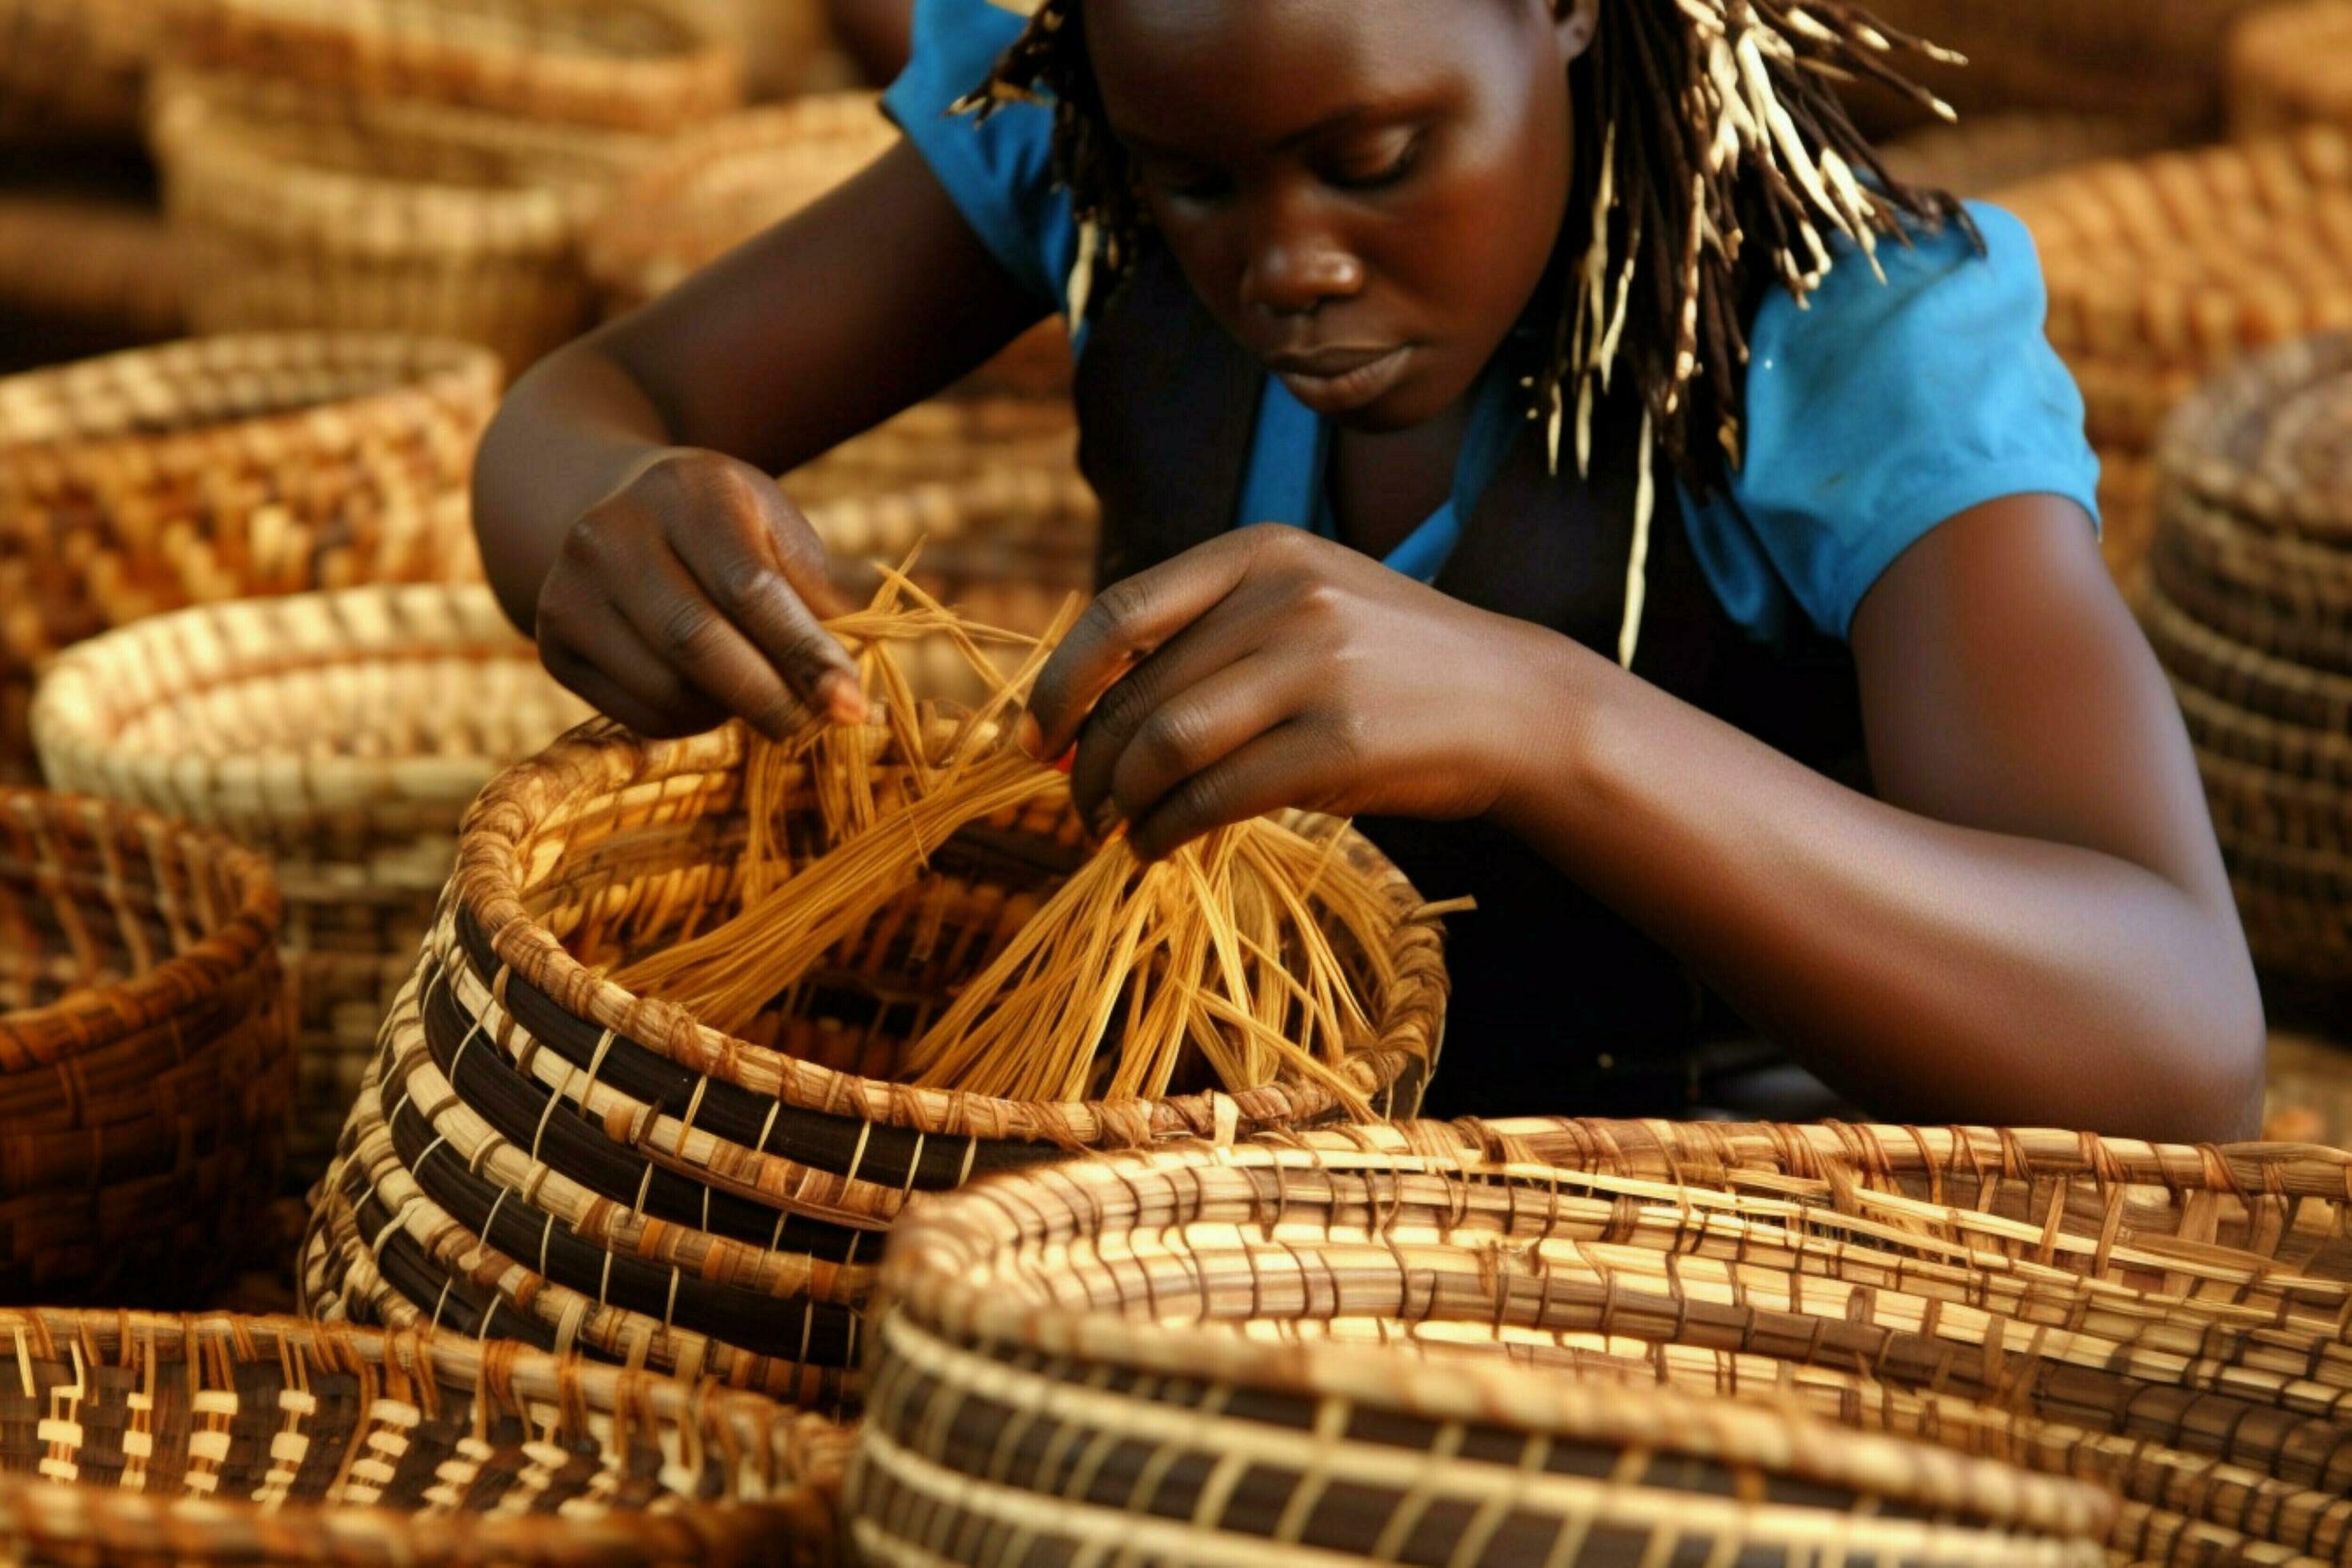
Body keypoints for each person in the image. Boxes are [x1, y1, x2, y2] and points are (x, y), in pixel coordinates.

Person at [473, 0, 2266, 1139]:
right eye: (1196, 183)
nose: (1286, 263)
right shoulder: (1077, 133)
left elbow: (2171, 1037)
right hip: (1181, 1170)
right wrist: (613, 509)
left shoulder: (1840, 340)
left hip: (1708, 1236)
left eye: (1376, 160)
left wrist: (1554, 722)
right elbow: (583, 409)